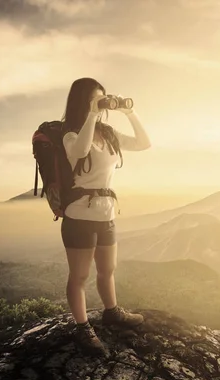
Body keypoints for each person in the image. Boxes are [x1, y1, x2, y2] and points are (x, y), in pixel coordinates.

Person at [60, 77, 151, 356]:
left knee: (107, 270)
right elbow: (80, 152)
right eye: (95, 99)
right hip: (79, 215)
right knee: (80, 275)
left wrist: (128, 111)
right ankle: (82, 327)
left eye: (103, 98)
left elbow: (144, 143)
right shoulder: (71, 134)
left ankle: (111, 312)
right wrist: (91, 114)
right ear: (83, 102)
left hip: (107, 213)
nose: (101, 103)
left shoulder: (109, 133)